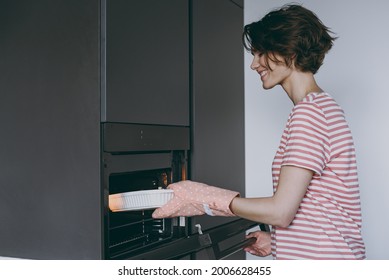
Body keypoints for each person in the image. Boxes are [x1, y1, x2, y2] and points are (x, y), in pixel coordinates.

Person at [153, 4, 366, 260]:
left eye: (261, 53)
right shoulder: (324, 107)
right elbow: (320, 205)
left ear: (289, 51)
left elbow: (280, 211)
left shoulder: (309, 113)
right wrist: (278, 242)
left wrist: (205, 198)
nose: (254, 64)